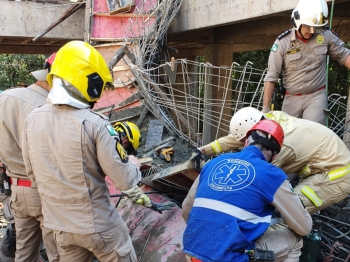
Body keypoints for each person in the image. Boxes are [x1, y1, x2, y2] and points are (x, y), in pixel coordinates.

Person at [22, 40, 174, 262]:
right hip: (99, 226)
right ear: (85, 80)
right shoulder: (96, 124)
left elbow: (32, 174)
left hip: (60, 226)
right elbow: (124, 180)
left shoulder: (32, 119)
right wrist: (134, 164)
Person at [183, 120, 312, 262]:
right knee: (295, 241)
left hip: (191, 252)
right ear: (274, 155)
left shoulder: (213, 163)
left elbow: (187, 207)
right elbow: (304, 228)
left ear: (246, 142)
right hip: (228, 258)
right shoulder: (272, 174)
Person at [191, 106, 350, 215]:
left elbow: (258, 179)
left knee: (286, 210)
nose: (244, 145)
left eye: (246, 142)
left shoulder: (279, 148)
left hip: (336, 174)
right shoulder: (269, 123)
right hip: (321, 163)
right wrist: (203, 150)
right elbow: (236, 138)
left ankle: (287, 248)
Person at [0, 53, 60, 262]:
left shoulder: (5, 97)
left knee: (24, 253)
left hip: (17, 191)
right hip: (45, 191)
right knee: (58, 253)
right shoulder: (50, 109)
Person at [262, 0, 350, 125]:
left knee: (313, 135)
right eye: (308, 26)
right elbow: (271, 77)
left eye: (316, 27)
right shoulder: (282, 43)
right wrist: (265, 111)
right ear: (297, 21)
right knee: (288, 139)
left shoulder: (326, 35)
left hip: (316, 96)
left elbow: (344, 54)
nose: (312, 31)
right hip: (291, 98)